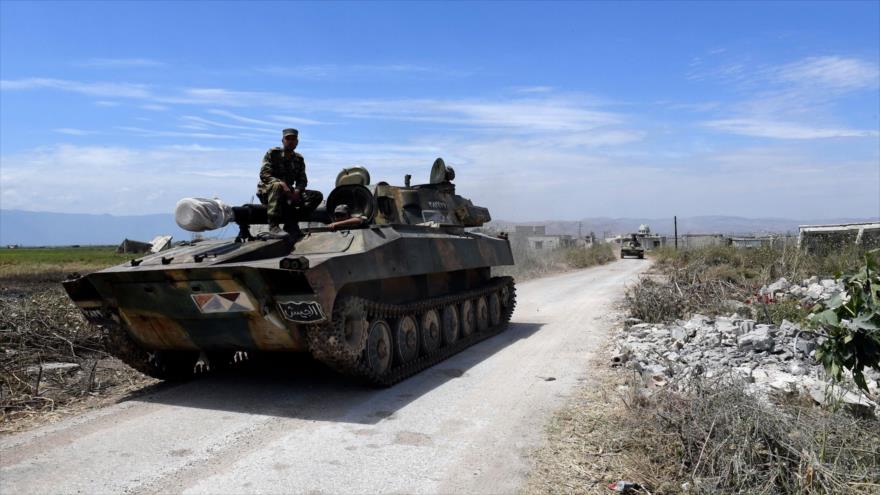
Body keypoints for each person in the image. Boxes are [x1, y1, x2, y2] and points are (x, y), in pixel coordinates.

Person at [257, 128, 323, 238]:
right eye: (288, 139)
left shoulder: (298, 159)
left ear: (297, 142)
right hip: (269, 191)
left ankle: (291, 223)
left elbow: (302, 180)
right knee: (277, 186)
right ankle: (273, 226)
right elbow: (264, 174)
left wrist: (297, 191)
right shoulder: (273, 153)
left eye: (293, 139)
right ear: (282, 140)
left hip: (289, 193)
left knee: (316, 196)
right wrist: (282, 184)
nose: (290, 141)